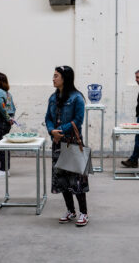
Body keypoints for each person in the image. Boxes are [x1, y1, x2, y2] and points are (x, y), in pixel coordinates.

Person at [45, 66, 89, 227]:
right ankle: (71, 211)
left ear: (65, 78)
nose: (53, 78)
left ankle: (84, 213)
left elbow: (78, 120)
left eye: (56, 76)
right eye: (53, 75)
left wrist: (60, 131)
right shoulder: (52, 97)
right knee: (62, 180)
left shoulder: (77, 98)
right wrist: (51, 131)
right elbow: (48, 117)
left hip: (72, 143)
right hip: (57, 143)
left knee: (76, 180)